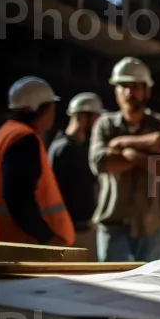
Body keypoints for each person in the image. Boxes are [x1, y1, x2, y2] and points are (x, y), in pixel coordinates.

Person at [89, 57, 160, 262]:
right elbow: (101, 163)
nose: (128, 93)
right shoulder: (105, 125)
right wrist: (145, 145)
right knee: (112, 289)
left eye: (135, 87)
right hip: (113, 223)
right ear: (115, 90)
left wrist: (125, 150)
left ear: (147, 90)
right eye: (123, 86)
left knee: (149, 290)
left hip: (152, 226)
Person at [0, 76, 74, 246]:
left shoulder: (1, 136)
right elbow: (19, 198)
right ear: (41, 109)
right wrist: (48, 237)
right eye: (52, 107)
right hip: (20, 245)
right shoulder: (24, 139)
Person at [48, 92, 104, 261]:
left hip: (85, 229)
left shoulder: (85, 148)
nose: (98, 124)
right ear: (82, 117)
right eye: (95, 118)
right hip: (68, 232)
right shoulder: (62, 149)